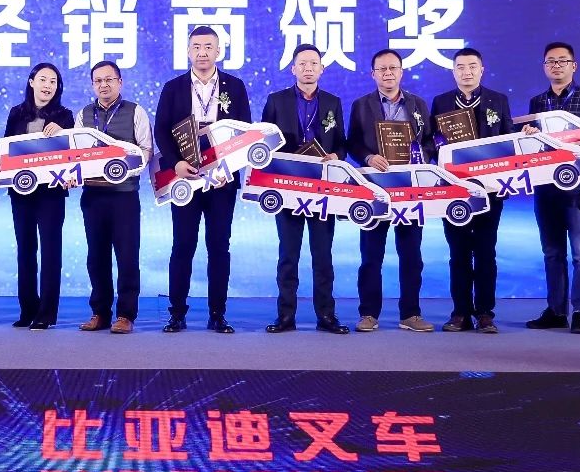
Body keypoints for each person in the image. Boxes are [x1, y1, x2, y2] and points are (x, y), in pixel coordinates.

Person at [154, 26, 252, 334]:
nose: (202, 52)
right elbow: (161, 130)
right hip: (185, 178)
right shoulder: (173, 88)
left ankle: (217, 313)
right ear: (188, 51)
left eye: (208, 46)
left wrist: (227, 168)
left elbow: (244, 130)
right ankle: (177, 314)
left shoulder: (235, 86)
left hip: (222, 181)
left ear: (218, 51)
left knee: (219, 246)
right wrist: (176, 164)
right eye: (196, 46)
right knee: (182, 245)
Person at [524, 42, 580, 335]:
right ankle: (556, 311)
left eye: (562, 61)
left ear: (574, 66)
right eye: (551, 61)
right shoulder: (538, 102)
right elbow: (532, 148)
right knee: (552, 253)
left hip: (579, 189)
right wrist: (526, 136)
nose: (557, 66)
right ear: (544, 67)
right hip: (546, 187)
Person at [261, 44, 350, 334]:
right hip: (288, 186)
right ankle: (285, 316)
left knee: (323, 255)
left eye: (314, 63)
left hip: (323, 188)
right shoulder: (276, 101)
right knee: (288, 254)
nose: (308, 68)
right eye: (302, 63)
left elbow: (342, 143)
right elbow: (263, 141)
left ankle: (326, 315)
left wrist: (336, 155)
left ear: (321, 69)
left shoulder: (333, 102)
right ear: (293, 69)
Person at [347, 48, 436, 333]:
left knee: (412, 255)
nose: (388, 73)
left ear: (401, 72)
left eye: (393, 68)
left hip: (411, 189)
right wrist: (368, 157)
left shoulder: (418, 104)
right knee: (371, 256)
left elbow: (431, 142)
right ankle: (368, 313)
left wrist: (420, 157)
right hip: (375, 188)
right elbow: (352, 143)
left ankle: (411, 314)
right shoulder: (361, 105)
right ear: (373, 74)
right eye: (382, 69)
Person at [430, 47, 512, 335]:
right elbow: (433, 143)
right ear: (453, 71)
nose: (467, 71)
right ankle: (460, 313)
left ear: (481, 69)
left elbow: (509, 143)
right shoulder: (441, 102)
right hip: (455, 192)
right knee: (459, 253)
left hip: (490, 189)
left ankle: (485, 313)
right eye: (461, 67)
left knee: (486, 251)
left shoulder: (497, 100)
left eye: (472, 66)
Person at [76, 60, 152, 335]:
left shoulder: (135, 111)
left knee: (127, 256)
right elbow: (76, 154)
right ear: (92, 85)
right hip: (93, 196)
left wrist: (126, 168)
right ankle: (100, 312)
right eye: (98, 81)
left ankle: (125, 315)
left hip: (124, 196)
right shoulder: (84, 115)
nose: (104, 85)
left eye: (109, 79)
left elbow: (146, 150)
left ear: (120, 82)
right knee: (96, 257)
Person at [3, 63, 75, 331]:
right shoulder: (16, 113)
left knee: (50, 251)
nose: (47, 85)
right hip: (21, 190)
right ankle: (27, 310)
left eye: (53, 81)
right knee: (25, 250)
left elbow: (72, 152)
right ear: (31, 82)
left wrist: (63, 132)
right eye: (43, 79)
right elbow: (6, 148)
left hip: (51, 192)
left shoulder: (65, 116)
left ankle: (46, 313)